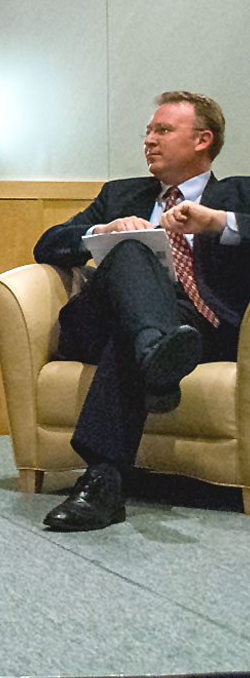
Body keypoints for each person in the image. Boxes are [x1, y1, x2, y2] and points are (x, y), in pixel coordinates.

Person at [35, 91, 250, 531]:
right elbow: (47, 243)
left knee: (129, 337)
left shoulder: (238, 193)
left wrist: (213, 222)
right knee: (132, 249)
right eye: (148, 131)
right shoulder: (121, 195)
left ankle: (103, 482)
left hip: (196, 327)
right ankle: (157, 354)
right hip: (99, 319)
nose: (149, 140)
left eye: (164, 130)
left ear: (202, 140)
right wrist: (103, 229)